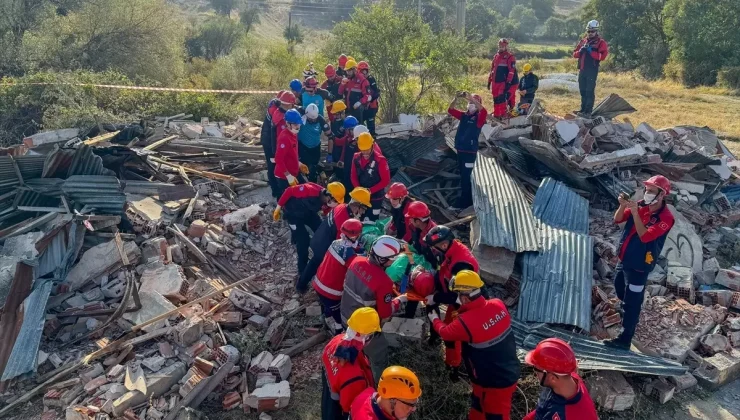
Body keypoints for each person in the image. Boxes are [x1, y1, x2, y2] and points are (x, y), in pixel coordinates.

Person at [428, 270, 520, 420]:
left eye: (457, 295)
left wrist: (434, 318)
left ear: (464, 298)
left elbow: (445, 332)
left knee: (495, 415)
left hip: (494, 382)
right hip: (505, 369)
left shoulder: (465, 323)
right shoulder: (498, 304)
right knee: (478, 404)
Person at [605, 175, 674, 350]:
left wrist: (635, 213)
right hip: (625, 258)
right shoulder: (642, 205)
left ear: (661, 194)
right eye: (646, 189)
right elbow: (618, 219)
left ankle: (625, 338)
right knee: (619, 287)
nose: (647, 193)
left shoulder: (666, 218)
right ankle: (628, 311)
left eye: (651, 190)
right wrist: (622, 206)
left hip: (640, 265)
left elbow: (645, 236)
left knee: (633, 300)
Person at [341, 235, 407, 382]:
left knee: (356, 352)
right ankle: (378, 384)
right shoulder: (383, 282)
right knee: (380, 354)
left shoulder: (356, 261)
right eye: (392, 259)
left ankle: (358, 363)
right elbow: (385, 313)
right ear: (382, 260)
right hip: (364, 329)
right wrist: (400, 300)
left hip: (346, 316)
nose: (392, 262)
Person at [424, 225, 479, 380]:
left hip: (461, 305)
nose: (434, 250)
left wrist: (435, 298)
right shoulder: (452, 250)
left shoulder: (460, 264)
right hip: (455, 300)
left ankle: (453, 369)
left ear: (443, 244)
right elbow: (444, 273)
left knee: (451, 337)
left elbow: (457, 296)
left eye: (435, 247)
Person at [296, 187, 371, 293]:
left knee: (313, 263)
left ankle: (302, 284)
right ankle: (302, 286)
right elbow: (343, 243)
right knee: (316, 265)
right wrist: (359, 249)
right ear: (357, 205)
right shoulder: (345, 220)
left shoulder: (342, 206)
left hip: (319, 238)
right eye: (363, 208)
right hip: (323, 247)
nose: (363, 212)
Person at [274, 181, 345, 277]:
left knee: (321, 230)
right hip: (292, 213)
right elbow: (289, 191)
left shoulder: (325, 200)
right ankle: (302, 270)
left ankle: (325, 259)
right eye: (336, 201)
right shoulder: (310, 190)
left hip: (308, 212)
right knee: (303, 241)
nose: (336, 203)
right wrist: (278, 207)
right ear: (329, 195)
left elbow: (328, 211)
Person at [321, 307, 380, 420]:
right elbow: (351, 411)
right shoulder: (355, 378)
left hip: (328, 403)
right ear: (367, 337)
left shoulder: (335, 341)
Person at [313, 218, 366, 334]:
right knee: (337, 313)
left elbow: (346, 251)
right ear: (354, 236)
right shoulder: (349, 255)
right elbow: (356, 266)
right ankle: (338, 332)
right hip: (331, 291)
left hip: (318, 282)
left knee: (327, 307)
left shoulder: (336, 242)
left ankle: (327, 319)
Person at [523, 338, 598, 420]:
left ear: (552, 378)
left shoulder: (568, 415)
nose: (535, 373)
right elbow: (542, 407)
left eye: (536, 369)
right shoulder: (567, 379)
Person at [447, 92, 486, 210]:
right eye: (469, 103)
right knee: (463, 175)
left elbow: (484, 111)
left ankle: (466, 202)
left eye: (473, 103)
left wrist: (472, 99)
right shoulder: (464, 116)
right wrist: (456, 98)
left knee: (467, 176)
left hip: (470, 153)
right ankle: (465, 198)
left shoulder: (479, 118)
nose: (470, 105)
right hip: (460, 150)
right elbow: (450, 110)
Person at [350, 366, 421, 420]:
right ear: (392, 401)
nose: (414, 409)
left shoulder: (367, 393)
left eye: (415, 403)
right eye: (409, 405)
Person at [351, 133, 391, 222]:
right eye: (362, 149)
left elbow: (385, 181)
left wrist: (370, 191)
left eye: (367, 149)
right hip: (360, 196)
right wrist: (359, 190)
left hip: (376, 197)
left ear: (372, 146)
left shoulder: (380, 160)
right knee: (358, 218)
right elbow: (353, 176)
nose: (365, 152)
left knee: (372, 220)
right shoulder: (356, 158)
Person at [573, 20, 609, 117]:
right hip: (582, 69)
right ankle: (582, 109)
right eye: (588, 31)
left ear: (596, 31)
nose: (590, 33)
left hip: (592, 70)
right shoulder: (583, 41)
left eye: (592, 31)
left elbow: (602, 57)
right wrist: (580, 51)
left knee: (589, 91)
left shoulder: (601, 43)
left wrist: (590, 51)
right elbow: (574, 54)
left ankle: (588, 111)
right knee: (582, 90)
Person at [274, 108, 309, 197]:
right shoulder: (284, 138)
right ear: (287, 124)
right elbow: (278, 159)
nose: (298, 126)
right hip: (284, 176)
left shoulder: (294, 133)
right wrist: (288, 176)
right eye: (295, 124)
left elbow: (292, 153)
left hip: (293, 172)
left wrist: (299, 163)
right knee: (290, 201)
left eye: (299, 124)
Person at [298, 103, 333, 182]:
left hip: (315, 147)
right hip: (303, 146)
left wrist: (330, 153)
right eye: (311, 119)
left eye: (314, 119)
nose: (313, 120)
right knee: (304, 168)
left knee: (313, 168)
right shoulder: (300, 112)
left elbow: (330, 136)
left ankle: (313, 185)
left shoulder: (320, 119)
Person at [260, 91, 283, 198]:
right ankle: (275, 190)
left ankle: (276, 186)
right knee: (272, 165)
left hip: (268, 138)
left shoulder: (273, 103)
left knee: (273, 164)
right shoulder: (275, 111)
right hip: (269, 142)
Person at [488, 38, 517, 118]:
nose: (501, 48)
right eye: (500, 46)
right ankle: (497, 115)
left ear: (506, 47)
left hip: (502, 82)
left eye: (503, 46)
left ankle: (503, 115)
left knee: (501, 99)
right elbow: (492, 69)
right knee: (495, 99)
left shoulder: (509, 57)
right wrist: (489, 80)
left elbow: (511, 71)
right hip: (495, 82)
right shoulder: (496, 56)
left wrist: (508, 82)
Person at [405, 201, 437, 267]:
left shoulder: (434, 235)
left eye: (411, 218)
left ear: (417, 221)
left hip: (429, 266)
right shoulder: (413, 226)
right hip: (417, 258)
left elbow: (438, 258)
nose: (410, 220)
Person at [357, 61, 380, 137]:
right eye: (362, 71)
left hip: (371, 106)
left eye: (365, 71)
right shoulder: (358, 80)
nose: (364, 73)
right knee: (360, 122)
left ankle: (372, 137)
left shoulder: (371, 79)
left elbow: (376, 92)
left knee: (370, 123)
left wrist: (369, 101)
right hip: (362, 106)